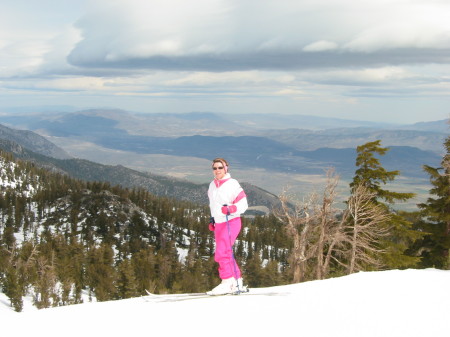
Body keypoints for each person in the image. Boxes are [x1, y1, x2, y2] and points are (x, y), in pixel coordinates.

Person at [206, 157, 248, 295]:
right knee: (226, 251)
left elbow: (244, 204)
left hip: (231, 221)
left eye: (220, 167)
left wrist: (232, 209)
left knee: (222, 252)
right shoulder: (212, 185)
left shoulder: (232, 184)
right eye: (214, 168)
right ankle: (237, 281)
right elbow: (213, 205)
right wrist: (213, 219)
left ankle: (227, 281)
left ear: (226, 168)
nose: (217, 170)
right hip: (219, 223)